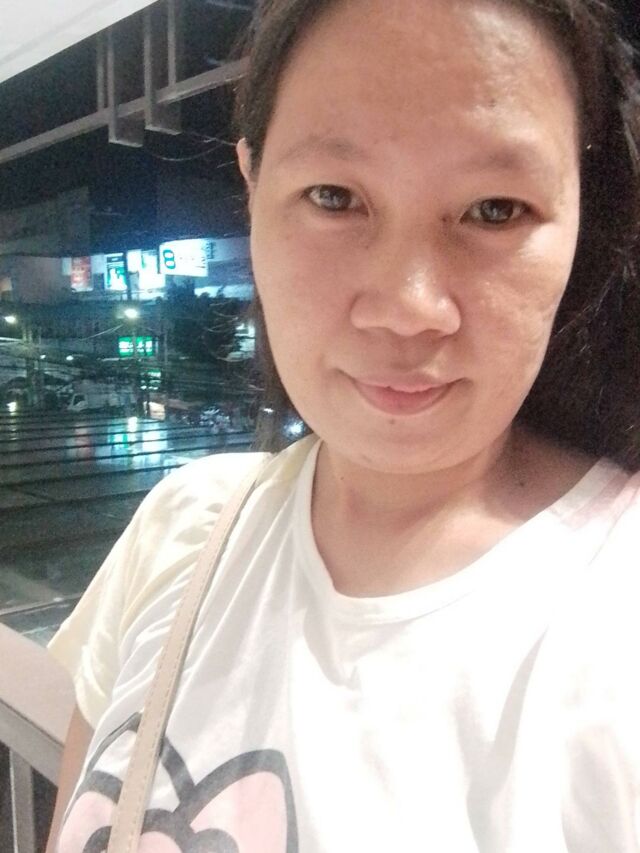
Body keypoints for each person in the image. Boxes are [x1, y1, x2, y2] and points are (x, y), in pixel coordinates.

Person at [47, 0, 640, 850]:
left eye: (495, 209)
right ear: (253, 187)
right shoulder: (183, 532)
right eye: (335, 197)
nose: (408, 307)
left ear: (583, 221)